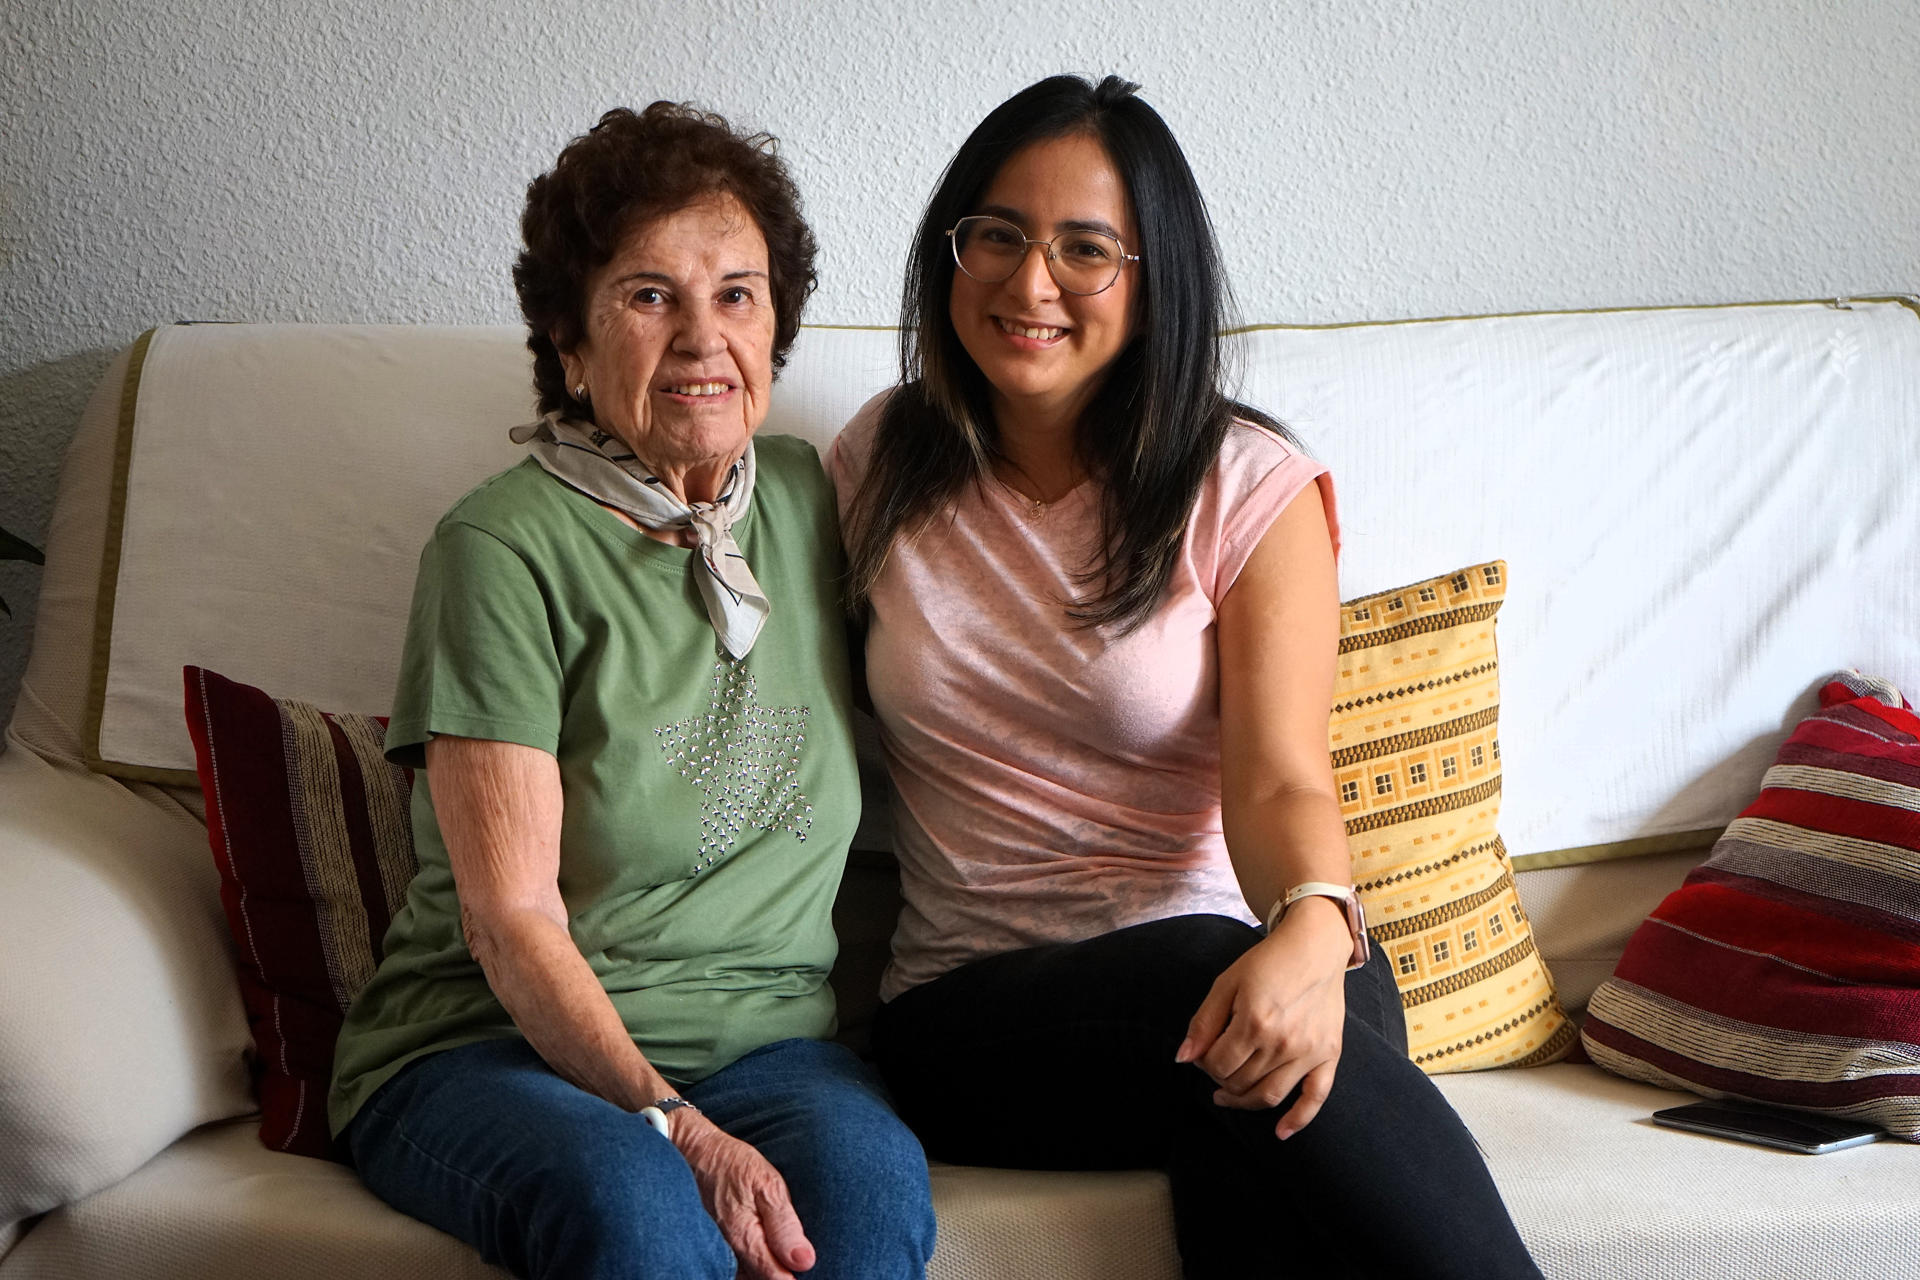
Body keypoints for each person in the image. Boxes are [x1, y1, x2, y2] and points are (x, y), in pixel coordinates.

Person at [827, 75, 1541, 1279]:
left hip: (1209, 971)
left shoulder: (1245, 487)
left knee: (1312, 1025)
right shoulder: (873, 468)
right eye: (995, 234)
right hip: (974, 1015)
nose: (1028, 282)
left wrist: (1314, 928)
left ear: (1155, 283)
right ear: (950, 248)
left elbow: (1277, 778)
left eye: (1086, 249)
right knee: (1245, 1014)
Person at [328, 103, 935, 1280]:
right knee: (640, 1213)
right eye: (651, 295)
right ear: (567, 335)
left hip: (777, 1050)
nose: (704, 337)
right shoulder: (500, 548)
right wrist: (678, 1125)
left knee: (868, 1204)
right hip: (490, 1048)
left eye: (739, 295)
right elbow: (509, 923)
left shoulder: (816, 497)